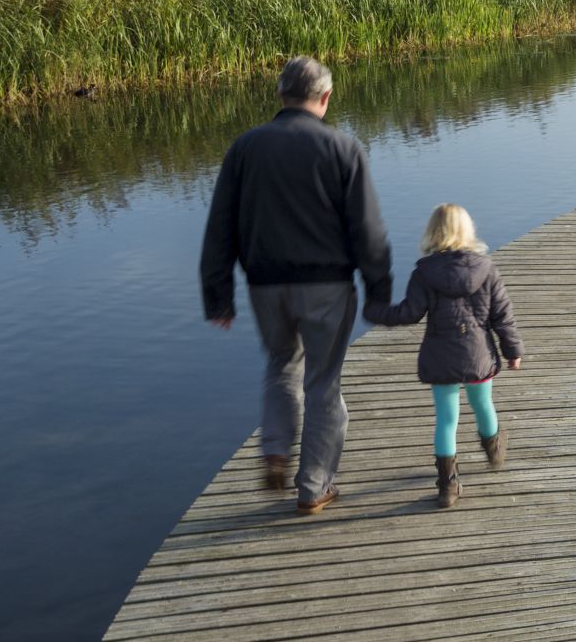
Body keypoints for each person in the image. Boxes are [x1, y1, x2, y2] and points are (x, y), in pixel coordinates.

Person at [199, 57, 392, 514]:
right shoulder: (342, 147)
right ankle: (313, 487)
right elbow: (368, 229)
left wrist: (218, 296)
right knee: (323, 383)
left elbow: (220, 226)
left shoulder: (245, 148)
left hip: (265, 286)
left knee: (281, 364)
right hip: (327, 287)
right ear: (325, 97)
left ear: (279, 94)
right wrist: (378, 291)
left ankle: (275, 448)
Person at [365, 204, 523, 508]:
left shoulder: (424, 273)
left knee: (447, 419)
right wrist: (512, 350)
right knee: (483, 404)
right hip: (478, 353)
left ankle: (448, 487)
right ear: (468, 230)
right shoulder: (487, 269)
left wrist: (375, 311)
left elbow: (409, 313)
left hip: (440, 355)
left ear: (433, 232)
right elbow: (502, 315)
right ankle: (494, 451)